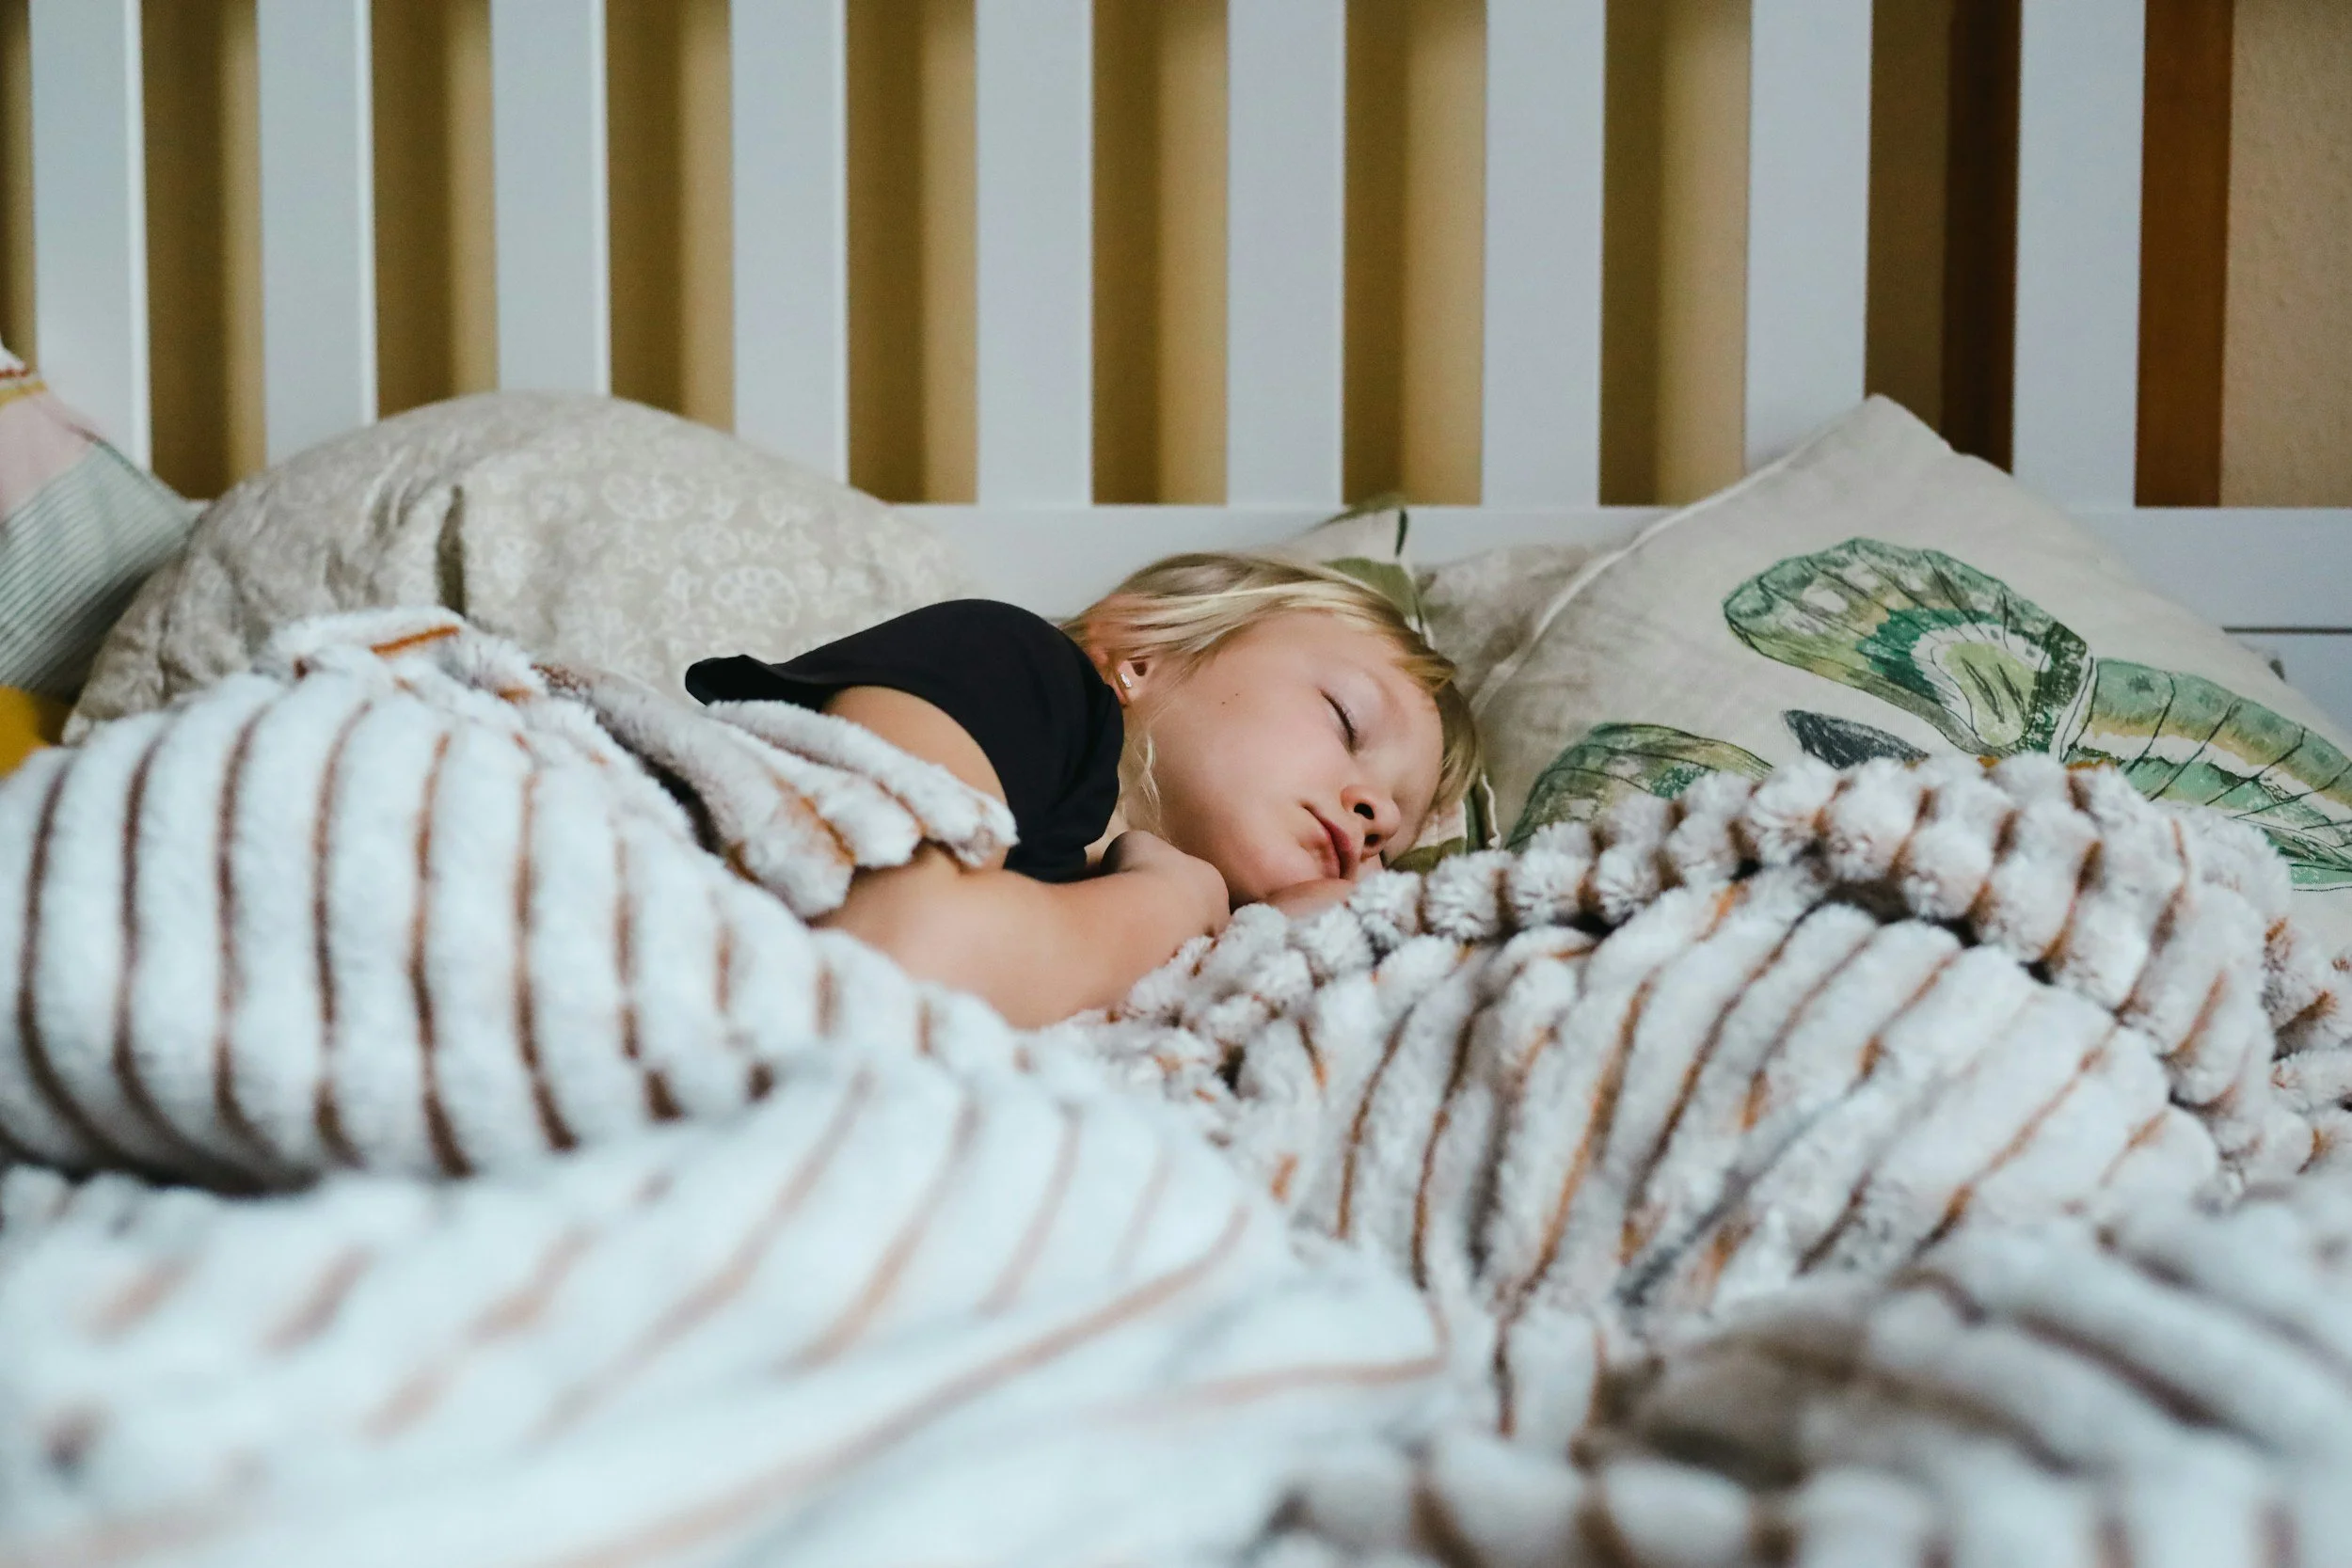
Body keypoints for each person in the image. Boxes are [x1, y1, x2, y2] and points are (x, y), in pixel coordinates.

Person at [686, 553, 1480, 1027]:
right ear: (1141, 652)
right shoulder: (1015, 666)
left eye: (1395, 841)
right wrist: (1177, 896)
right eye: (1345, 720)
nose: (1375, 813)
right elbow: (893, 963)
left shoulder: (1193, 969)